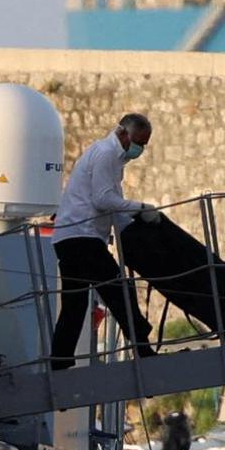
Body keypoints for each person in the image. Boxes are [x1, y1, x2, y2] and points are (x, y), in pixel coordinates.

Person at [50, 112, 161, 369]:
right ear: (123, 133)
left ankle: (59, 360)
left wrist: (132, 226)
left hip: (69, 237)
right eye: (138, 143)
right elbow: (103, 200)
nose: (139, 149)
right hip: (83, 237)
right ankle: (142, 348)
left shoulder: (111, 157)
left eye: (143, 145)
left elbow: (113, 207)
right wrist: (141, 208)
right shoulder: (106, 154)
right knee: (119, 291)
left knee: (75, 304)